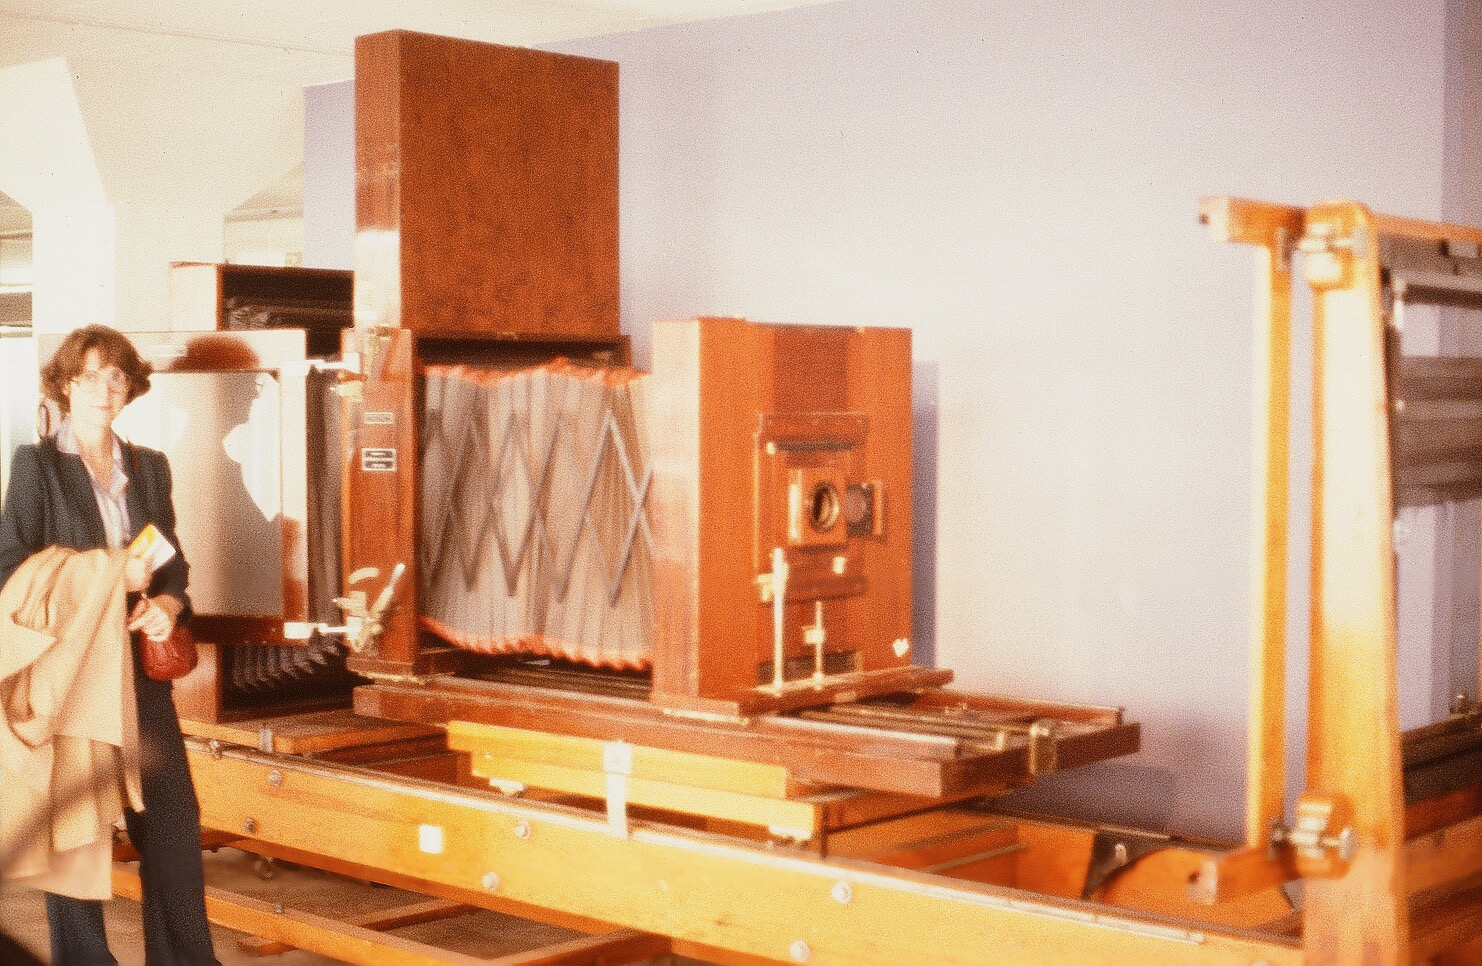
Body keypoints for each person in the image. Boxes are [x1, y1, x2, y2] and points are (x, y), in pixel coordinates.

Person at [0, 324, 219, 965]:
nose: (104, 389)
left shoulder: (149, 467)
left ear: (131, 387)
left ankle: (185, 960)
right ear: (67, 385)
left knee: (173, 820)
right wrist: (107, 574)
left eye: (117, 376)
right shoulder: (37, 466)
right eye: (90, 375)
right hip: (73, 666)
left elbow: (171, 562)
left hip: (137, 666)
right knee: (78, 826)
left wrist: (168, 606)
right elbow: (11, 568)